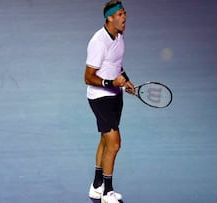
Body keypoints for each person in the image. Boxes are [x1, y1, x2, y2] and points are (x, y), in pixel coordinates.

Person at [84, 1, 135, 203]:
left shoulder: (120, 36)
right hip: (100, 97)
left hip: (115, 95)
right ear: (110, 18)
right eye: (121, 14)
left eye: (125, 13)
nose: (125, 17)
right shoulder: (98, 42)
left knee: (106, 141)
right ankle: (108, 192)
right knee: (115, 144)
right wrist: (111, 82)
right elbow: (88, 77)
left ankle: (97, 185)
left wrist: (126, 81)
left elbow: (117, 64)